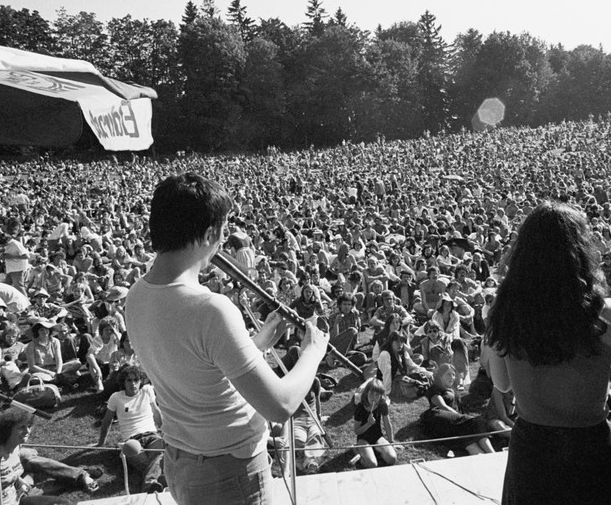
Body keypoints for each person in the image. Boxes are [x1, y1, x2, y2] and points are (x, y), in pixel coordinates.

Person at [125, 172, 328, 505]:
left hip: (183, 460)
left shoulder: (137, 294)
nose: (222, 243)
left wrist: (257, 346)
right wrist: (314, 351)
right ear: (208, 234)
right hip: (229, 472)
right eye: (222, 232)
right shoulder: (210, 309)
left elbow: (195, 366)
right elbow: (280, 405)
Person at [486, 201, 611, 505]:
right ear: (581, 251)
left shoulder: (508, 310)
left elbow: (502, 383)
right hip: (593, 460)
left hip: (532, 460)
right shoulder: (610, 315)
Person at [0, 409, 76, 504]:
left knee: (64, 503)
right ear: (7, 431)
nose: (27, 431)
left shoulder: (16, 449)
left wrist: (19, 481)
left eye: (29, 426)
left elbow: (9, 471)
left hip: (16, 500)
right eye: (21, 427)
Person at [96, 365, 165, 494]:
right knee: (153, 461)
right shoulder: (116, 397)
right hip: (132, 441)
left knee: (160, 451)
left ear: (141, 381)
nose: (133, 383)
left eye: (136, 380)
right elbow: (106, 422)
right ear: (123, 381)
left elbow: (156, 412)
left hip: (152, 436)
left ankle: (150, 484)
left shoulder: (147, 390)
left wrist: (164, 431)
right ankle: (160, 479)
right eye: (129, 380)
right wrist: (101, 443)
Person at [420, 363, 495, 455]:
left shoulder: (452, 389)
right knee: (474, 422)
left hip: (456, 422)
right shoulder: (435, 389)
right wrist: (462, 418)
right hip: (440, 417)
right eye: (448, 374)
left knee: (471, 440)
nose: (452, 377)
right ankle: (492, 456)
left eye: (453, 375)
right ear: (440, 376)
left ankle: (493, 456)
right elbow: (442, 406)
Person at [352, 378, 397, 469]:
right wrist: (368, 424)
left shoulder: (382, 405)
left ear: (381, 396)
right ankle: (356, 449)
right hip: (363, 438)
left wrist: (391, 442)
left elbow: (387, 423)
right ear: (366, 393)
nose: (373, 397)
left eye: (377, 394)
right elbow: (357, 431)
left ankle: (374, 450)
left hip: (377, 436)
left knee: (392, 459)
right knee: (372, 464)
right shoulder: (360, 407)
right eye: (371, 393)